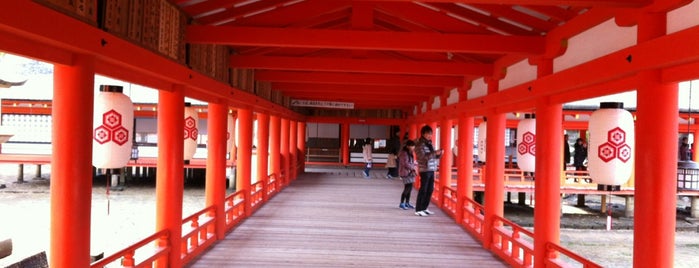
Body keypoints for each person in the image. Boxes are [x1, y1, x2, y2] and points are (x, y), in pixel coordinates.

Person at [414, 125, 443, 216]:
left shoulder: (430, 144)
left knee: (430, 189)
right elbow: (422, 158)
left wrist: (440, 154)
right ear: (423, 134)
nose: (430, 136)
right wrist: (435, 153)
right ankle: (418, 209)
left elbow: (433, 156)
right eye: (428, 134)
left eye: (431, 134)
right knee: (424, 189)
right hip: (424, 169)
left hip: (431, 169)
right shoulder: (419, 144)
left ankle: (424, 208)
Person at [398, 140, 417, 210]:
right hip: (405, 172)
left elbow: (410, 162)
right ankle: (402, 203)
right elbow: (405, 163)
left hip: (409, 172)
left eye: (414, 146)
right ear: (408, 146)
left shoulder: (409, 152)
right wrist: (413, 167)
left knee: (410, 188)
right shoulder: (404, 153)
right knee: (407, 188)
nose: (413, 147)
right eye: (412, 146)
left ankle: (407, 203)